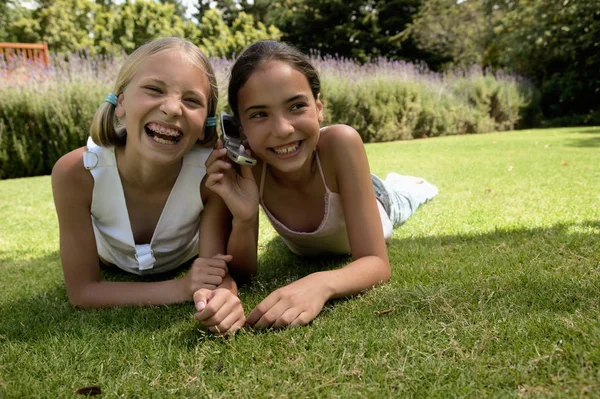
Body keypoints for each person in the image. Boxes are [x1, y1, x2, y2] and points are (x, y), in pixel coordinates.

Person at [216, 40, 438, 329]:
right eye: (259, 114)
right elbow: (244, 276)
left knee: (412, 193)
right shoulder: (249, 168)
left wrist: (321, 284)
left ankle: (406, 182)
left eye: (296, 106)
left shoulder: (341, 142)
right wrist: (244, 219)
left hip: (380, 200)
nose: (283, 129)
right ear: (240, 129)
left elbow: (376, 262)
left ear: (318, 107)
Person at [51, 37, 258, 335]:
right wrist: (181, 288)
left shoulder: (210, 173)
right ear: (121, 102)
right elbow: (83, 292)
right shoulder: (75, 172)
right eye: (154, 89)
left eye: (192, 101)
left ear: (205, 125)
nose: (173, 109)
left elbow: (213, 269)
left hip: (183, 258)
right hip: (111, 262)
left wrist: (223, 295)